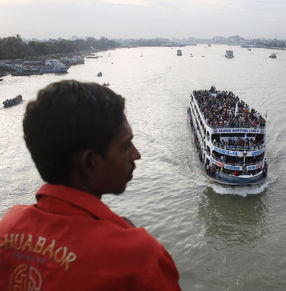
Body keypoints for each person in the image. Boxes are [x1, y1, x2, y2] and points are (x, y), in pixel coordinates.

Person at [0, 80, 181, 290]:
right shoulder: (137, 259)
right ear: (90, 162)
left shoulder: (8, 227)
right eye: (125, 146)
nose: (136, 154)